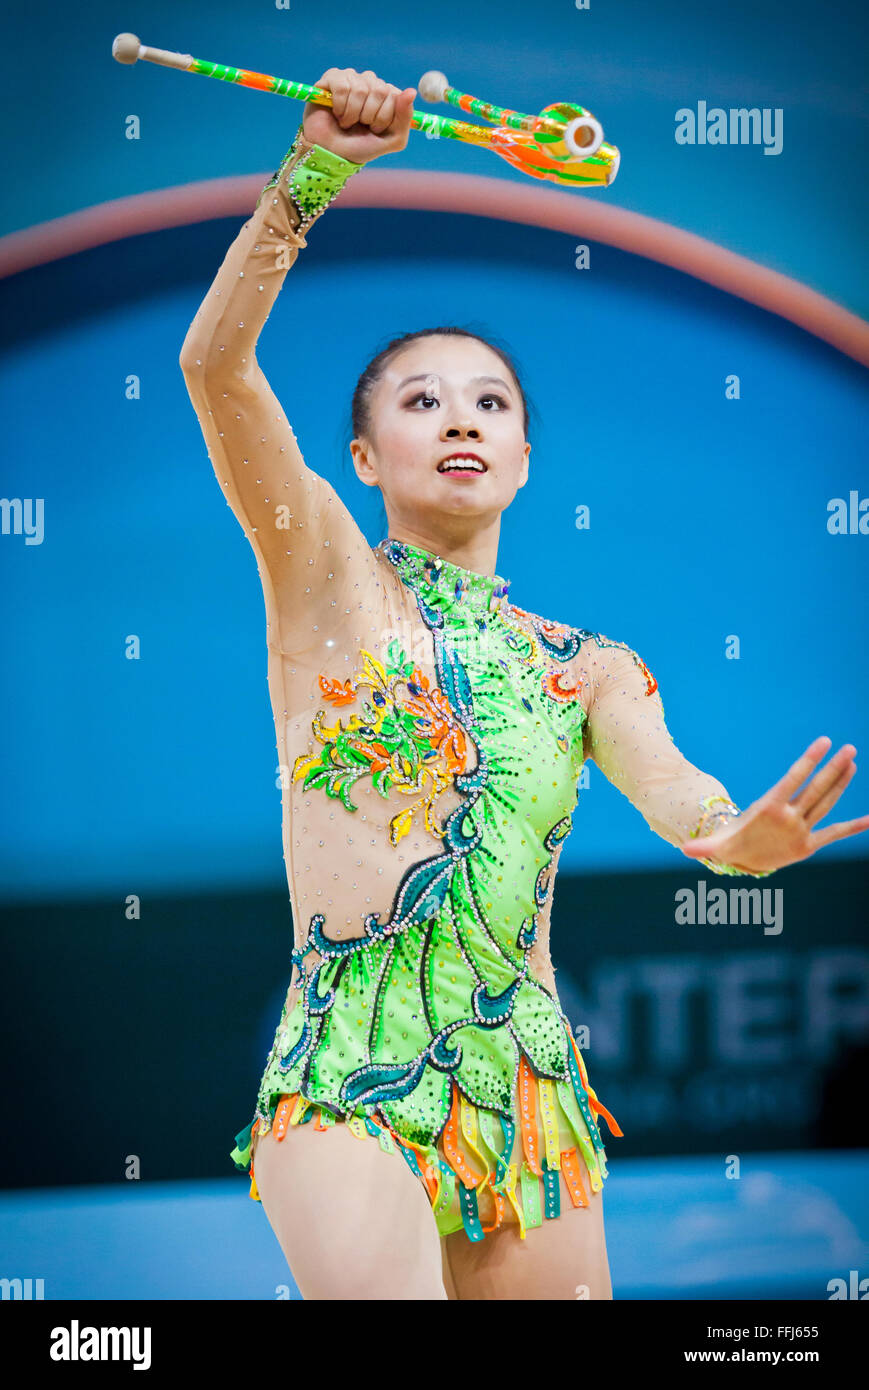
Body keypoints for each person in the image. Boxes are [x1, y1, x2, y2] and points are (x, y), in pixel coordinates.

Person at [179, 67, 868, 1301]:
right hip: (346, 1073)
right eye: (421, 399)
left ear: (523, 457)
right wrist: (311, 180)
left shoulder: (583, 665)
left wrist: (736, 840)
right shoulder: (325, 578)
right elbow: (215, 370)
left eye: (490, 401)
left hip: (527, 1091)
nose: (461, 418)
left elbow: (681, 795)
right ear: (360, 454)